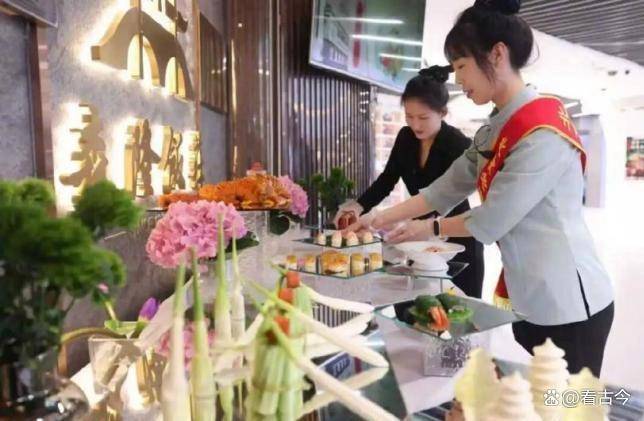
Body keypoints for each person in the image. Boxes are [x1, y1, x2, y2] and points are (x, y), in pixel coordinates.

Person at [346, 0, 614, 377]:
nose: (457, 80)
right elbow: (445, 188)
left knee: (569, 403)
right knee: (532, 399)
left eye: (461, 66)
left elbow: (493, 219)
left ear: (497, 55)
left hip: (569, 302)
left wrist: (428, 227)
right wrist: (377, 218)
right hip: (529, 294)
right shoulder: (497, 126)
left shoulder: (542, 131)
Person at [334, 65, 484, 299]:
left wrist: (390, 220)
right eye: (409, 116)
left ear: (443, 112)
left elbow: (443, 198)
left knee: (458, 311)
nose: (416, 125)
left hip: (456, 241)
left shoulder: (458, 144)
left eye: (423, 118)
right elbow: (386, 180)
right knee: (415, 306)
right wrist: (358, 207)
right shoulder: (406, 137)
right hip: (416, 240)